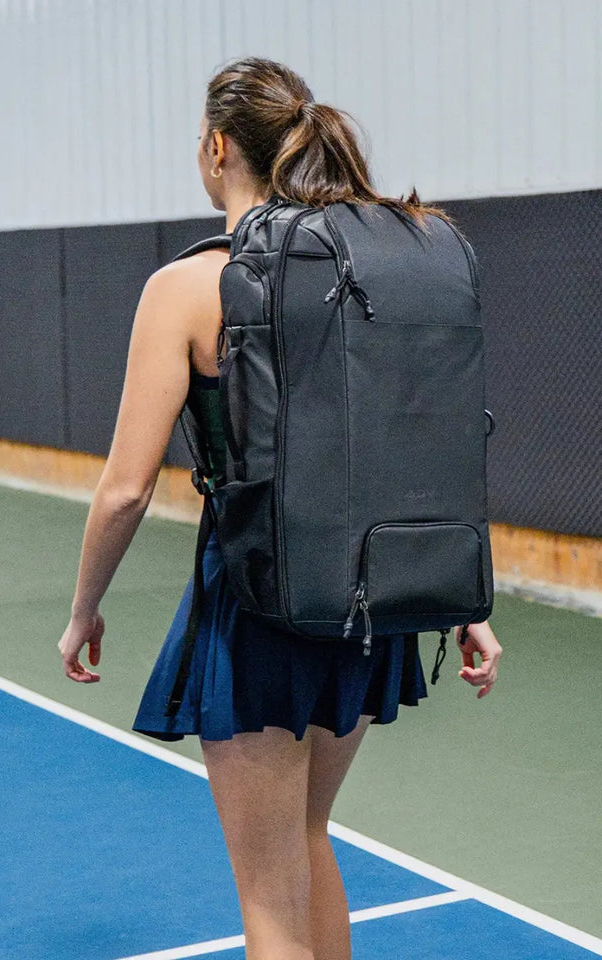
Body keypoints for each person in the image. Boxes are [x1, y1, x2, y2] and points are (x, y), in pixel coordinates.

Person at [58, 56, 502, 960]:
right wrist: (465, 600)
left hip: (256, 606)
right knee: (307, 840)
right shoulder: (366, 269)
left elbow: (126, 489)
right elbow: (425, 433)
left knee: (267, 893)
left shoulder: (184, 289)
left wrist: (82, 611)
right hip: (369, 608)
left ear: (217, 148)